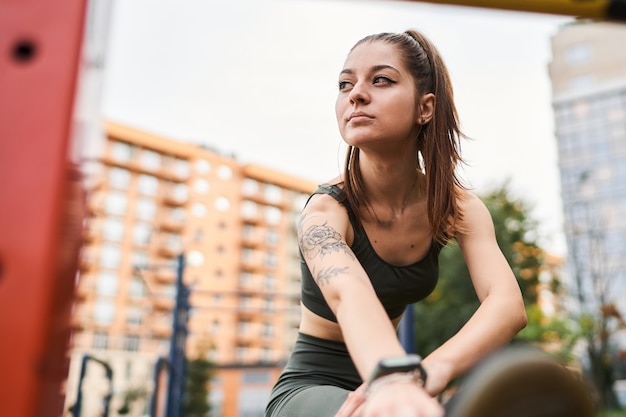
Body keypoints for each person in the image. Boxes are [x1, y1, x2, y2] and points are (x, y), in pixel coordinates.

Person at [264, 29, 528, 417]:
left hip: (399, 381)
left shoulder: (458, 207)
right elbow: (348, 294)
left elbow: (507, 305)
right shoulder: (324, 212)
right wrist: (391, 380)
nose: (355, 94)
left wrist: (424, 374)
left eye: (381, 80)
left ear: (425, 108)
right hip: (314, 386)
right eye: (345, 84)